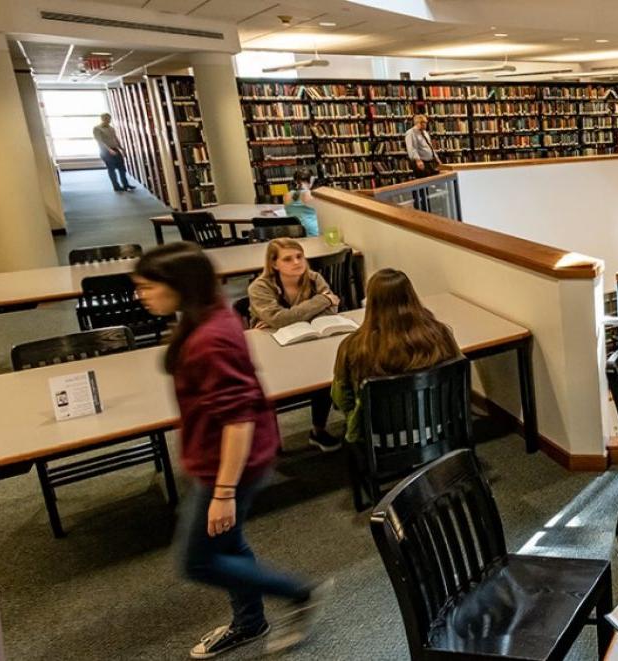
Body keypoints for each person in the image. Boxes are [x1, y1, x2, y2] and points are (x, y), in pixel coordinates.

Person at [131, 243, 323, 658]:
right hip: (220, 457)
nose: (140, 295)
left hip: (229, 464)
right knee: (228, 545)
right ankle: (249, 621)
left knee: (196, 561)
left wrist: (223, 493)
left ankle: (299, 592)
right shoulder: (211, 316)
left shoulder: (209, 339)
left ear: (178, 285)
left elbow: (238, 421)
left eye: (147, 286)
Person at [331, 269, 462, 444]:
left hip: (380, 440)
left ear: (371, 303)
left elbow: (341, 397)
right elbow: (458, 378)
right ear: (412, 297)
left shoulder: (353, 346)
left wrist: (352, 417)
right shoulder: (440, 334)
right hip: (438, 428)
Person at [247, 238, 341, 449]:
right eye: (288, 259)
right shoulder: (260, 287)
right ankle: (269, 440)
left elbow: (331, 311)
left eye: (299, 257)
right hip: (272, 347)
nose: (297, 262)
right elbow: (279, 319)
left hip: (310, 342)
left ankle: (319, 429)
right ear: (274, 264)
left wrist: (289, 316)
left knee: (325, 374)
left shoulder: (314, 278)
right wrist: (322, 301)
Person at [94, 113, 135, 192]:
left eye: (109, 119)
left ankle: (125, 184)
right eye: (106, 119)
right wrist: (109, 150)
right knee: (111, 169)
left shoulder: (111, 128)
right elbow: (100, 141)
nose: (108, 120)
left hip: (115, 149)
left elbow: (115, 138)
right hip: (105, 151)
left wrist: (121, 148)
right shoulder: (97, 129)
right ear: (102, 119)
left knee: (122, 168)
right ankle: (116, 186)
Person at [282, 169, 320, 237]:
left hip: (293, 234)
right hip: (312, 233)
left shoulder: (286, 195)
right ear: (311, 180)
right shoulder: (310, 195)